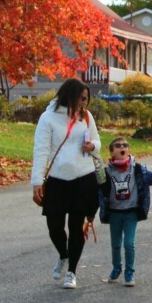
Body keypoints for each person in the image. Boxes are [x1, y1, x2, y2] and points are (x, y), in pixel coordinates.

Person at [31, 78, 101, 289]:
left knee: (76, 227)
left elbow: (98, 141)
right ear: (70, 95)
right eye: (82, 98)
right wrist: (36, 182)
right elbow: (41, 150)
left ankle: (72, 271)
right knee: (54, 226)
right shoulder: (48, 118)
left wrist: (93, 146)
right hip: (57, 179)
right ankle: (63, 255)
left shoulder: (86, 117)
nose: (84, 103)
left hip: (83, 177)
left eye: (86, 99)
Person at [97, 137, 152, 287]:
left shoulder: (137, 169)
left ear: (129, 150)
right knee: (116, 244)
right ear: (112, 152)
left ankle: (129, 272)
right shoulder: (106, 172)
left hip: (131, 212)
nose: (122, 147)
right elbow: (97, 191)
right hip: (114, 213)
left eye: (125, 145)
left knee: (129, 243)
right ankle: (116, 267)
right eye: (118, 146)